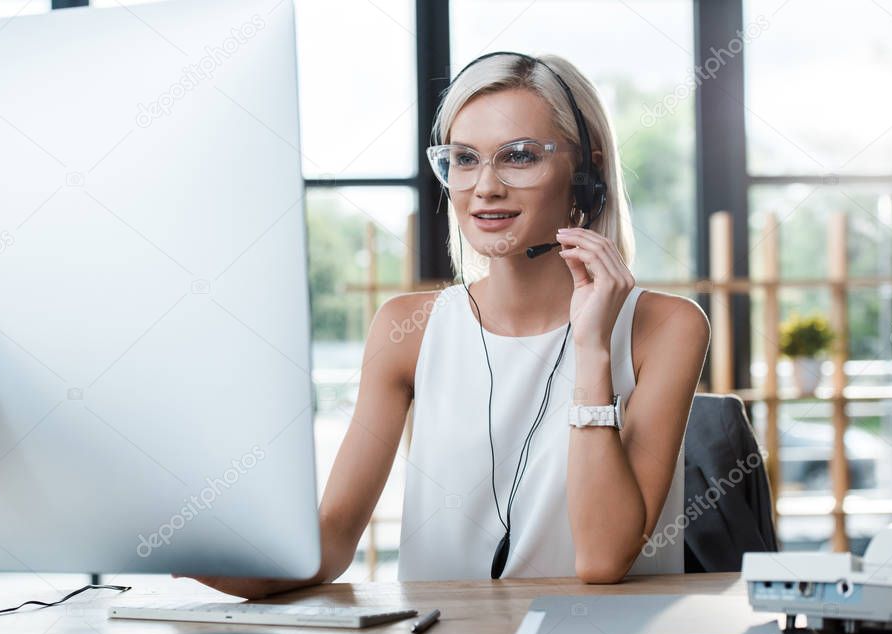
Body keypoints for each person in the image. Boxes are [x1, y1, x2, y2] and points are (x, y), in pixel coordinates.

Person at [179, 52, 710, 598]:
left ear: (586, 173)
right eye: (464, 158)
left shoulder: (667, 327)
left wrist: (593, 349)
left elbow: (602, 559)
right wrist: (208, 554)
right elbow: (333, 540)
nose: (485, 187)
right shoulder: (404, 329)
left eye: (519, 157)